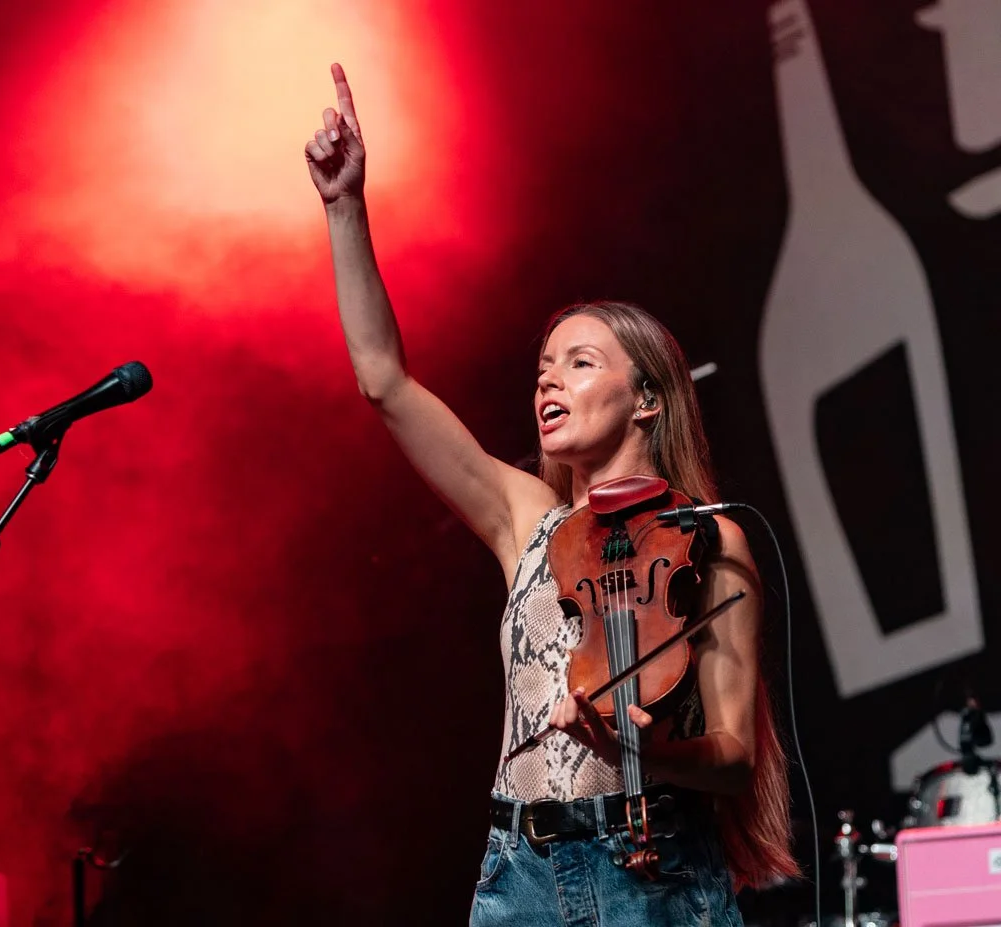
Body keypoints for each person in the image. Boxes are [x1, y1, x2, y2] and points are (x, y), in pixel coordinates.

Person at [305, 63, 800, 926]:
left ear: (647, 397)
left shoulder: (708, 537)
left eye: (580, 362)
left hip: (651, 875)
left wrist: (640, 743)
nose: (549, 380)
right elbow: (384, 380)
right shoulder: (527, 519)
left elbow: (728, 755)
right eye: (543, 367)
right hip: (520, 872)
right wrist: (345, 207)